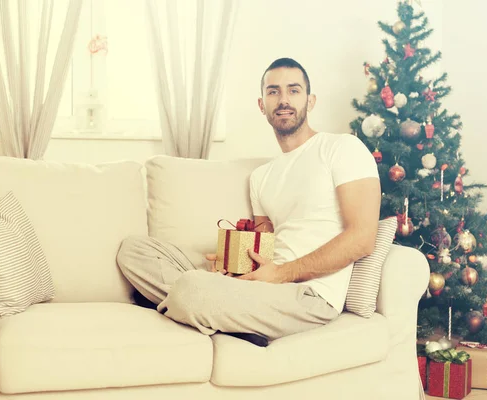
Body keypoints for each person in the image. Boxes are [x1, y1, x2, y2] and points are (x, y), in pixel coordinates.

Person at [116, 57, 380, 346]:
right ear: (261, 104)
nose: (283, 100)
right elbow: (262, 248)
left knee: (193, 289)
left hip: (309, 296)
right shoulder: (261, 177)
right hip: (265, 285)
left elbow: (362, 238)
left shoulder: (342, 148)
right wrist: (234, 266)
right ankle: (226, 318)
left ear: (311, 100)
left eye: (294, 90)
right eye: (273, 91)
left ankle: (192, 305)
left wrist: (281, 274)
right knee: (134, 250)